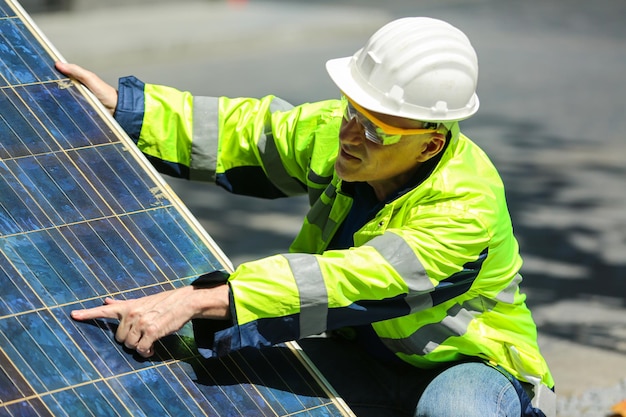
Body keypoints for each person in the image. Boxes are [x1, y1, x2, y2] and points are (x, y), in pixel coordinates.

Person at [57, 17, 555, 417]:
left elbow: (348, 280)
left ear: (430, 143)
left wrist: (198, 299)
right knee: (216, 379)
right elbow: (248, 133)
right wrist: (130, 109)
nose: (351, 134)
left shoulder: (465, 207)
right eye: (352, 111)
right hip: (362, 357)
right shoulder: (343, 130)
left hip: (468, 369)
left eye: (378, 129)